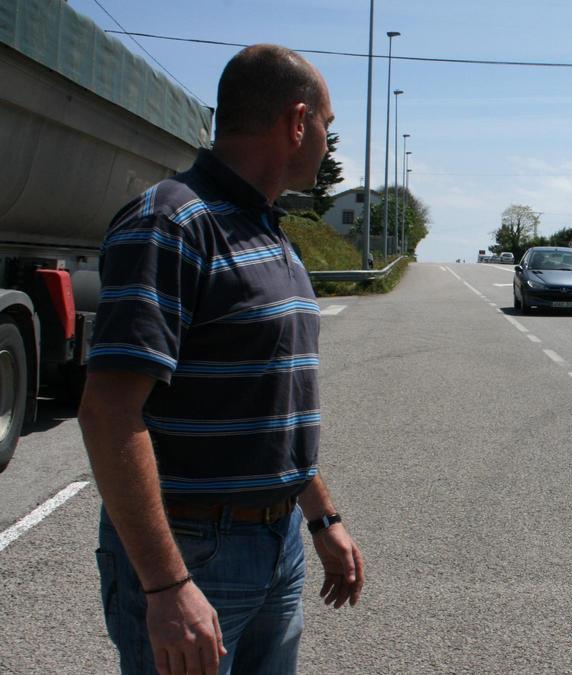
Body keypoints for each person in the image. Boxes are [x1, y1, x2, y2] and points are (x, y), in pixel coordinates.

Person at [79, 44, 364, 675]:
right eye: (327, 124)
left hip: (279, 541)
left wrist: (321, 519)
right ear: (297, 122)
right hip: (194, 554)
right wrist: (164, 587)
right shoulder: (172, 224)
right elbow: (108, 411)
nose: (326, 140)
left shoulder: (264, 229)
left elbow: (271, 405)